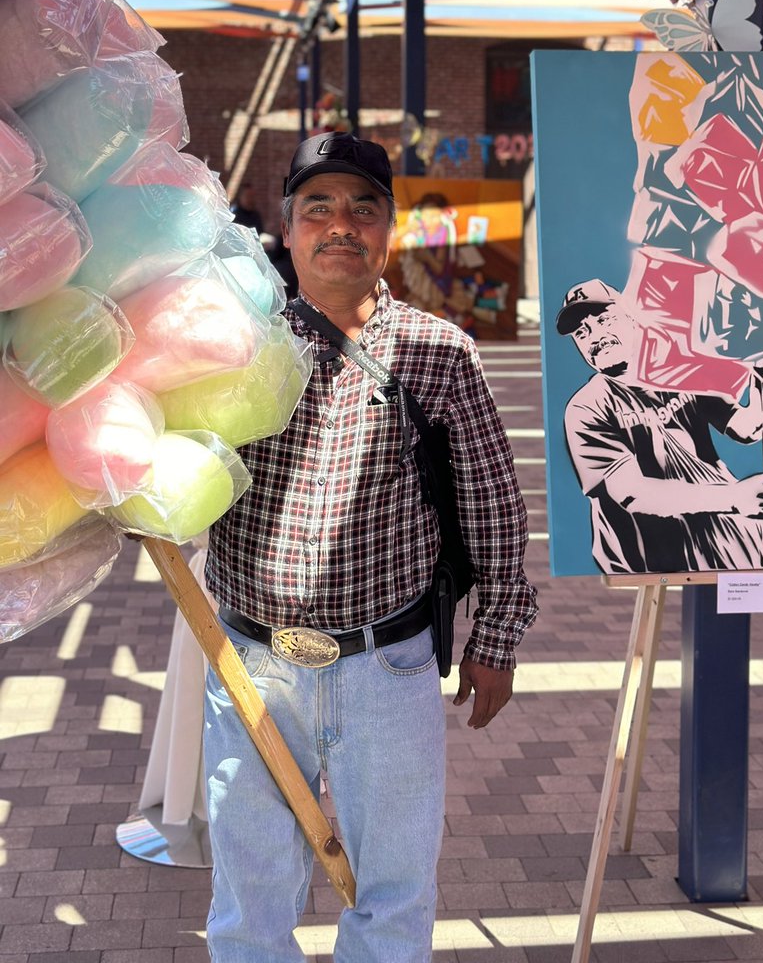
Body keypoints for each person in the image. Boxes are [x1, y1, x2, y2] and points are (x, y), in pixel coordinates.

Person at [203, 131, 538, 962]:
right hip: (252, 662)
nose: (341, 225)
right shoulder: (227, 345)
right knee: (248, 903)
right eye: (319, 207)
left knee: (392, 896)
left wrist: (495, 641)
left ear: (390, 228)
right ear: (288, 226)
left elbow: (495, 506)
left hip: (388, 668)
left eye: (363, 207)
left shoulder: (440, 353)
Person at [557, 278, 763, 575]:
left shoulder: (677, 368)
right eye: (581, 332)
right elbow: (633, 493)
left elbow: (743, 426)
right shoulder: (587, 407)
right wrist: (737, 498)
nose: (595, 337)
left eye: (604, 320)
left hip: (726, 546)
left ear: (630, 317)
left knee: (742, 611)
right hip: (650, 561)